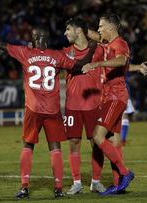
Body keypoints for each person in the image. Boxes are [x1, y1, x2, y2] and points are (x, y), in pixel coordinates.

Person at [0, 13, 97, 199]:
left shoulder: (25, 52)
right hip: (52, 110)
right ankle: (58, 188)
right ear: (45, 38)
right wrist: (93, 47)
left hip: (33, 109)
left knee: (28, 146)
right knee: (55, 148)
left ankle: (24, 187)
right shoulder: (57, 56)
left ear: (35, 38)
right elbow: (81, 64)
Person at [82, 14, 135, 195]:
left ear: (111, 28)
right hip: (109, 97)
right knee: (112, 140)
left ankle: (125, 173)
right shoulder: (107, 43)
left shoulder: (119, 43)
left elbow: (122, 60)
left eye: (101, 26)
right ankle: (119, 183)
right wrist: (80, 26)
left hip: (115, 96)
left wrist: (98, 63)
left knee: (98, 136)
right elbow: (94, 36)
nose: (99, 29)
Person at [62, 17, 107, 195]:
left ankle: (96, 181)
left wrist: (87, 30)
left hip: (94, 105)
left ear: (78, 31)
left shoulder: (98, 50)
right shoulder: (66, 52)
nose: (65, 33)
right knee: (73, 143)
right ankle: (77, 182)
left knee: (96, 143)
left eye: (68, 29)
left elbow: (107, 40)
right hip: (72, 105)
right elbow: (76, 68)